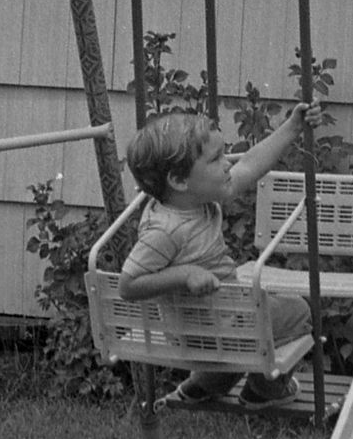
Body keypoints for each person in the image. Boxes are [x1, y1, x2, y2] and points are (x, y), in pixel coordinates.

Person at [119, 106, 311, 410]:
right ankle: (264, 389)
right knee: (299, 311)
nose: (227, 164)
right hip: (217, 329)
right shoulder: (164, 230)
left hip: (209, 327)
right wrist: (185, 274)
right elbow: (128, 285)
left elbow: (250, 166)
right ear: (179, 180)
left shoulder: (194, 200)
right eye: (216, 159)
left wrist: (292, 127)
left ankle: (204, 385)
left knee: (260, 307)